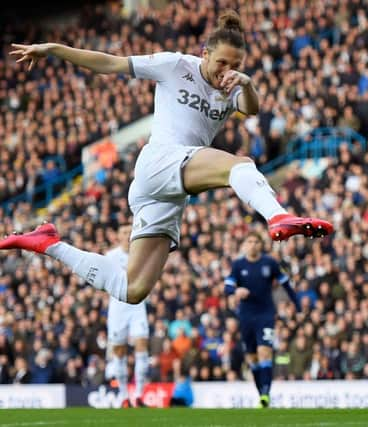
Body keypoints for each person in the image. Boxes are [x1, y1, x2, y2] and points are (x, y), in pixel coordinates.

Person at [1, 10, 333, 306]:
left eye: (236, 66)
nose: (227, 71)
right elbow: (111, 63)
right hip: (160, 162)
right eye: (221, 62)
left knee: (132, 290)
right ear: (204, 54)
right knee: (241, 165)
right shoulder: (175, 65)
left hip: (168, 192)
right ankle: (277, 216)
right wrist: (55, 50)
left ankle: (48, 243)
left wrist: (244, 82)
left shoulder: (233, 89)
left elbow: (252, 107)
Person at [224, 231, 300, 408]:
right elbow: (227, 287)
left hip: (265, 314)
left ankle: (266, 393)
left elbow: (286, 284)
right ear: (244, 245)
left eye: (255, 241)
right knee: (252, 357)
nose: (252, 244)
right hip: (245, 316)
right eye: (249, 241)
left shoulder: (269, 263)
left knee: (264, 351)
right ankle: (262, 395)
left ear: (260, 244)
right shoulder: (238, 265)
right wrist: (236, 291)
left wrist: (297, 305)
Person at [105, 224, 149, 408]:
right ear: (117, 235)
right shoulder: (110, 256)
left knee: (142, 346)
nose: (127, 235)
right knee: (119, 352)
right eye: (123, 232)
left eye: (129, 232)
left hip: (138, 306)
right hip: (118, 308)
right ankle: (124, 396)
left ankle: (138, 395)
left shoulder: (141, 254)